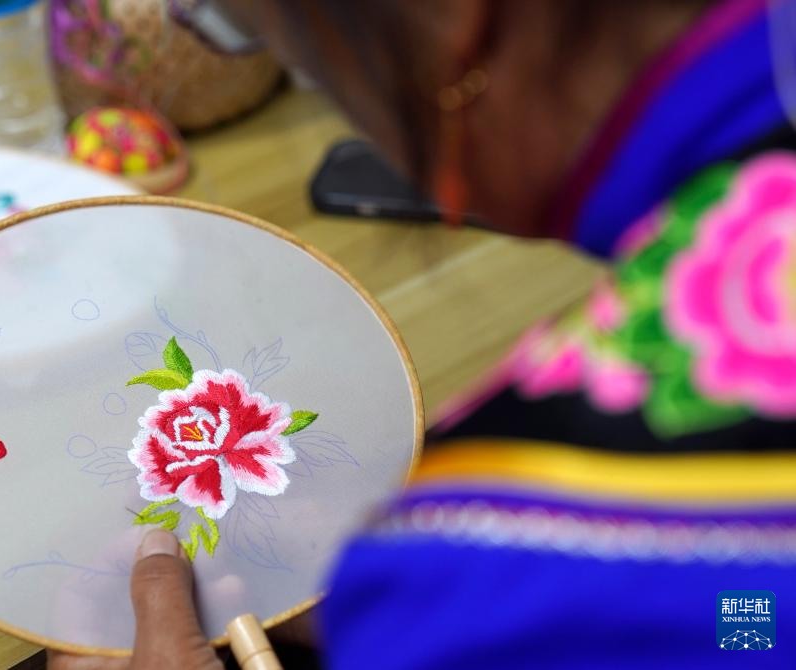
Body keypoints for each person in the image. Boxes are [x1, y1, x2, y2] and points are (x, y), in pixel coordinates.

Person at [52, 0, 796, 667]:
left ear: (453, 17)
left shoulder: (513, 554)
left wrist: (430, 609)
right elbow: (757, 629)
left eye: (248, 29)